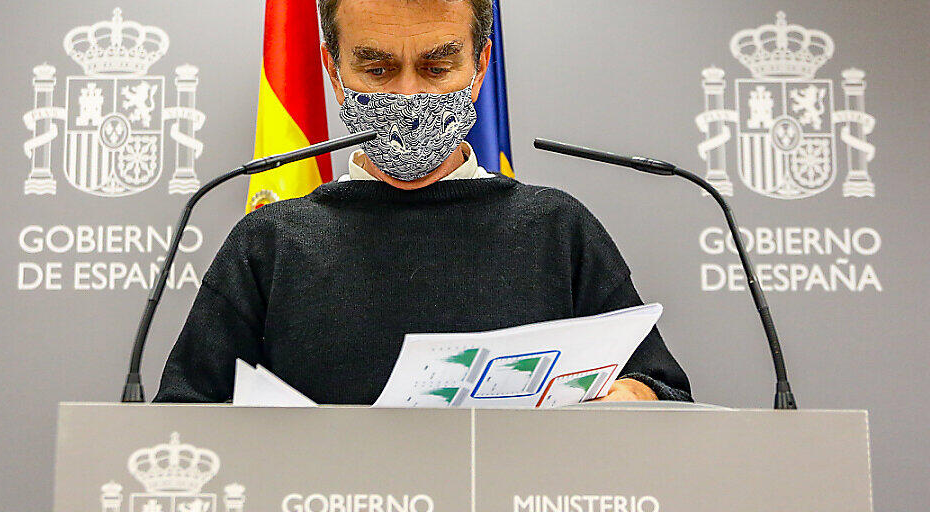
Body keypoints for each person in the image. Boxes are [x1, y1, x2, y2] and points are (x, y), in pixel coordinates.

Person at [154, 0, 691, 403]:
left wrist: (630, 401)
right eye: (377, 69)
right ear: (333, 72)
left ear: (480, 67)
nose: (408, 96)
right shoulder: (269, 243)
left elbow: (660, 387)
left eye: (437, 67)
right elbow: (181, 423)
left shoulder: (555, 228)